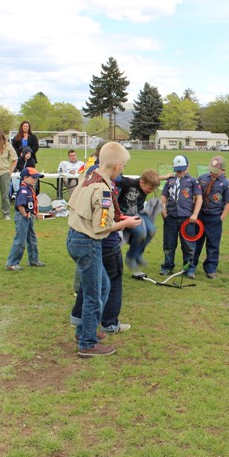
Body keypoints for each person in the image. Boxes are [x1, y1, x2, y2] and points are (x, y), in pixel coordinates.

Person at [66, 142, 141, 358]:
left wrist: (120, 218)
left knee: (102, 287)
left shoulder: (91, 175)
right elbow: (102, 229)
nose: (123, 169)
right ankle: (87, 343)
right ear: (117, 166)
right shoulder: (103, 189)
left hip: (76, 236)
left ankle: (84, 332)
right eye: (123, 166)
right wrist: (126, 224)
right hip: (87, 242)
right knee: (93, 294)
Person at [159, 155, 203, 278]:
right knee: (169, 244)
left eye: (183, 169)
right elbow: (163, 197)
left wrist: (195, 214)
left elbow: (199, 197)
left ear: (188, 167)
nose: (181, 172)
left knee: (188, 245)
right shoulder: (170, 181)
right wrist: (164, 213)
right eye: (178, 170)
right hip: (171, 217)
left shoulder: (193, 181)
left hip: (187, 219)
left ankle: (189, 268)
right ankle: (167, 266)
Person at [193, 156, 229, 279]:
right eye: (211, 169)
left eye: (215, 171)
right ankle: (191, 265)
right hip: (200, 216)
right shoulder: (202, 178)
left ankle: (210, 269)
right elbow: (196, 195)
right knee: (196, 242)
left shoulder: (226, 184)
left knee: (213, 244)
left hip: (214, 217)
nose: (212, 172)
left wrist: (222, 218)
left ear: (223, 170)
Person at [117, 169, 163, 274]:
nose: (150, 191)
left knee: (152, 230)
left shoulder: (147, 182)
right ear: (142, 182)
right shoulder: (129, 183)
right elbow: (115, 178)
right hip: (125, 215)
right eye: (149, 189)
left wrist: (166, 177)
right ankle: (131, 257)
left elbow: (153, 179)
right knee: (141, 233)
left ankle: (138, 254)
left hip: (138, 213)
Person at [5, 167, 45, 270]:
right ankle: (11, 263)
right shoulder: (23, 190)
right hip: (23, 217)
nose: (35, 180)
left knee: (32, 239)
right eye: (33, 178)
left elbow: (31, 204)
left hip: (29, 216)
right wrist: (24, 214)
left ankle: (33, 260)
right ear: (25, 177)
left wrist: (34, 213)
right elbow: (20, 205)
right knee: (20, 240)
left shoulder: (29, 188)